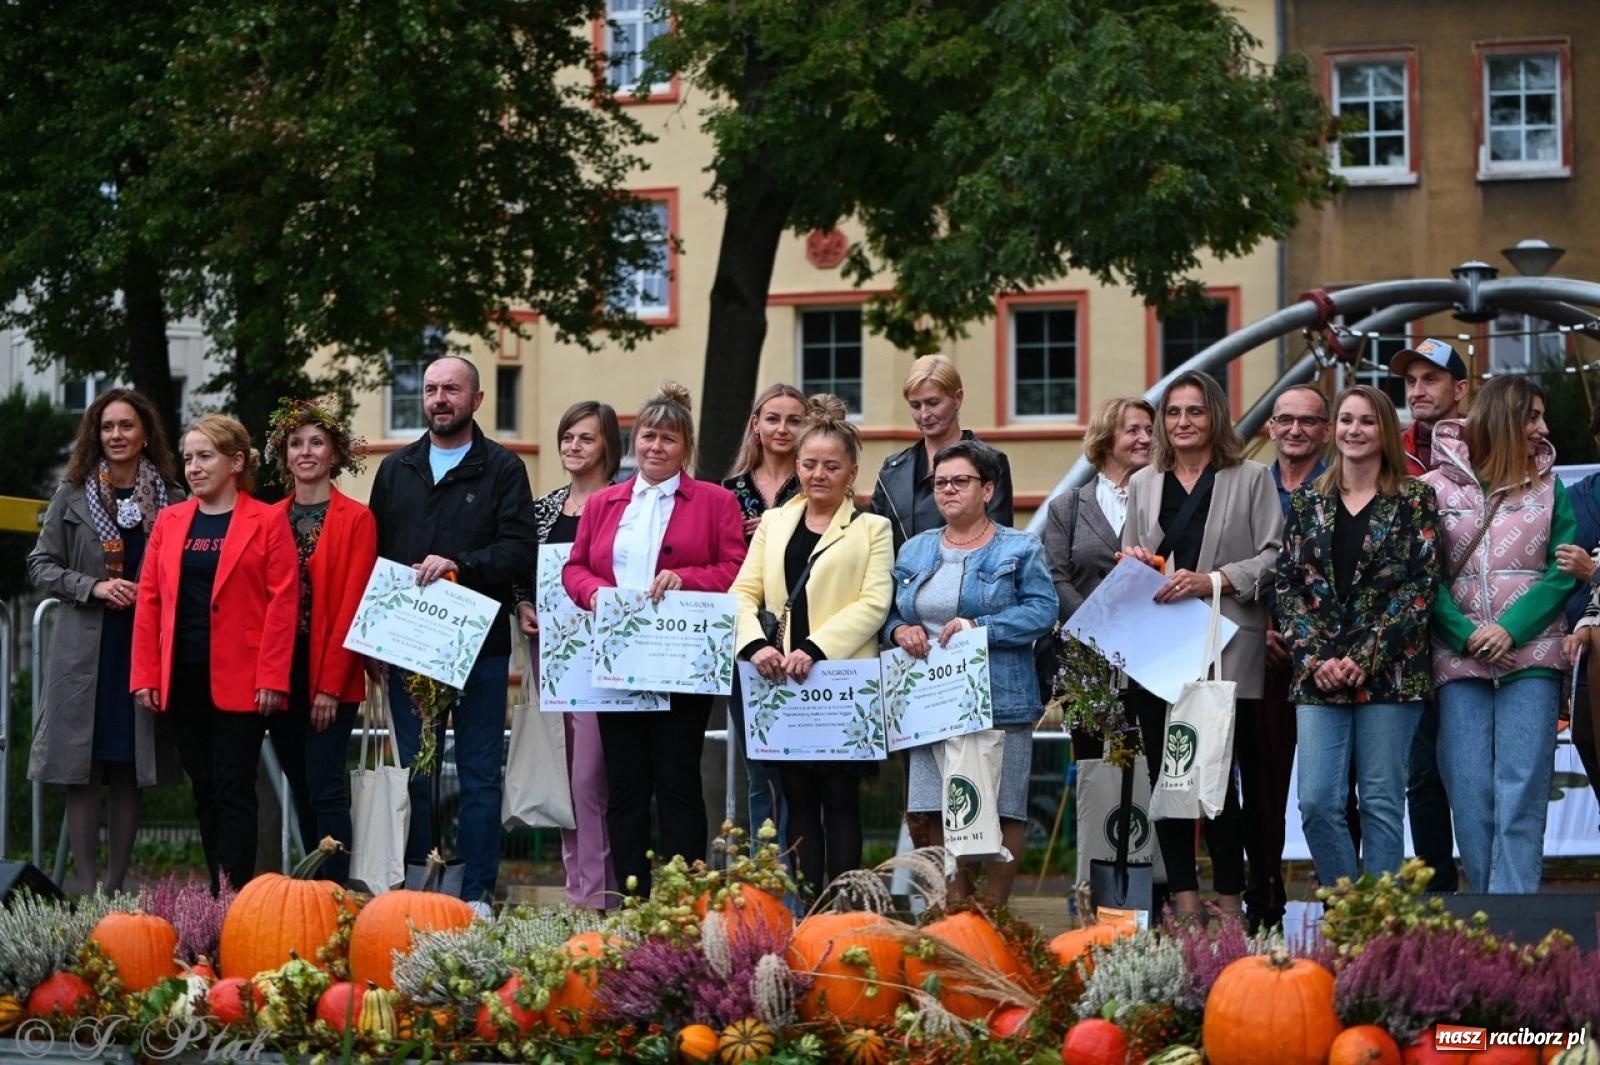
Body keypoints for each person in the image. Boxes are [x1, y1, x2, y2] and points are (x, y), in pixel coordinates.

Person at [563, 382, 747, 896]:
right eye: (648, 437)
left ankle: (684, 899)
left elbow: (735, 566)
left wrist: (687, 578)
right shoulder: (604, 503)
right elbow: (575, 568)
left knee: (678, 782)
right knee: (624, 787)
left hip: (681, 661)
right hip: (618, 660)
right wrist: (595, 593)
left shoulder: (715, 502)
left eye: (668, 439)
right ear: (633, 442)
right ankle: (629, 897)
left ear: (685, 447)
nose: (656, 448)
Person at [368, 355, 537, 911]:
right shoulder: (396, 469)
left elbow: (518, 550)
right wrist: (374, 642)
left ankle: (476, 894)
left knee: (480, 776)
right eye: (432, 389)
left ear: (477, 400)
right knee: (414, 773)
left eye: (452, 390)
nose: (440, 399)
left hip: (479, 650)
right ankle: (414, 887)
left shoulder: (504, 469)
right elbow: (377, 558)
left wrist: (458, 563)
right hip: (408, 650)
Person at [1121, 370, 1282, 922]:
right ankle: (1186, 905)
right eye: (1172, 413)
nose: (1182, 422)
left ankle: (1232, 903)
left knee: (1216, 779)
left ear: (1215, 416)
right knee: (1170, 781)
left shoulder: (1251, 477)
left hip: (1223, 647)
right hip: (1159, 651)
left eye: (1194, 411)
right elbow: (1129, 554)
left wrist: (1210, 580)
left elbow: (1274, 555)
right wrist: (1135, 563)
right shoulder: (1143, 482)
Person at [731, 395, 892, 903]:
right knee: (797, 801)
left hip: (841, 682)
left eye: (831, 466)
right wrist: (756, 645)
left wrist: (816, 648)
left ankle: (844, 911)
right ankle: (806, 915)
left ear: (851, 472)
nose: (818, 474)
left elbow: (874, 602)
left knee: (841, 799)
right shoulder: (775, 523)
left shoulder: (872, 528)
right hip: (781, 680)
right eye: (809, 464)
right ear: (796, 466)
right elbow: (743, 592)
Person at [1276, 385, 1440, 884]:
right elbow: (1288, 587)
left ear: (1385, 430)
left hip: (1389, 676)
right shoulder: (1307, 503)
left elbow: (1421, 587)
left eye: (1366, 421)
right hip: (1318, 676)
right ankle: (1348, 909)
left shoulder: (1415, 499)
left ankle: (1379, 929)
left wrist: (1366, 656)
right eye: (1346, 420)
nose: (1354, 430)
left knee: (1381, 802)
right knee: (1317, 802)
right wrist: (1317, 658)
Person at [1421, 374, 1576, 894]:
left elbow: (1561, 574)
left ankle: (1515, 918)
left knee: (1523, 786)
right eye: (1532, 416)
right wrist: (1465, 635)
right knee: (1468, 788)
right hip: (1457, 657)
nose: (1543, 427)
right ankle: (1488, 914)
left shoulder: (1553, 489)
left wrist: (1509, 629)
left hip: (1532, 656)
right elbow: (1425, 575)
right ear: (1504, 418)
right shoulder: (1433, 489)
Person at [131, 414, 298, 894]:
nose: (194, 467)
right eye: (188, 458)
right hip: (182, 676)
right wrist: (146, 672)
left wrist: (273, 677)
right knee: (203, 790)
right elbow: (150, 599)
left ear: (236, 461)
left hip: (243, 679)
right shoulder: (170, 520)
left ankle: (237, 897)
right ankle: (216, 891)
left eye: (205, 456)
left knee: (233, 790)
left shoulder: (267, 521)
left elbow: (282, 604)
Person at [884, 440, 1057, 905]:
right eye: (941, 483)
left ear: (988, 489)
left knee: (1004, 810)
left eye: (961, 481)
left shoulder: (1020, 547)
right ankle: (954, 912)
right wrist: (900, 630)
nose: (949, 490)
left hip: (999, 695)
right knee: (928, 811)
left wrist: (980, 627)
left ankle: (993, 917)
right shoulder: (915, 551)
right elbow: (891, 614)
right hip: (928, 704)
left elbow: (1043, 611)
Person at [28, 389, 183, 893]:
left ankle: (115, 888)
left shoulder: (173, 498)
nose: (116, 436)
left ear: (145, 435)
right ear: (96, 434)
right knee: (82, 766)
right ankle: (85, 888)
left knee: (128, 763)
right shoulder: (71, 493)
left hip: (141, 647)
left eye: (126, 426)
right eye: (107, 427)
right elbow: (41, 564)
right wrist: (92, 586)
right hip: (84, 650)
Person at [513, 400, 624, 909]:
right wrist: (523, 604)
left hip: (608, 660)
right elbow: (522, 572)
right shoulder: (542, 509)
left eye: (586, 438)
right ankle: (576, 891)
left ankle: (600, 896)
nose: (573, 447)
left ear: (607, 445)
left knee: (591, 777)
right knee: (561, 777)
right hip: (552, 655)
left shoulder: (626, 504)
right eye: (567, 437)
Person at [264, 398, 378, 886]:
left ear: (334, 454)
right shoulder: (269, 518)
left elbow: (354, 604)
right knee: (300, 784)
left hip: (331, 669)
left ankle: (337, 889)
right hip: (280, 671)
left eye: (316, 443)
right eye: (296, 444)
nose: (305, 452)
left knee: (327, 785)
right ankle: (312, 887)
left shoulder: (356, 519)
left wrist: (330, 686)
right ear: (284, 454)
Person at [1391, 337, 1471, 893]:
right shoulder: (1389, 451)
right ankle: (1438, 895)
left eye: (1432, 380)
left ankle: (1497, 892)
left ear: (1461, 390)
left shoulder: (1491, 447)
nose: (1419, 390)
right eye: (1411, 381)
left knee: (1478, 773)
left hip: (1479, 634)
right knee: (1421, 775)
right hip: (1412, 639)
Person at [1251, 384, 1331, 931]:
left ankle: (1341, 904)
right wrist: (1254, 632)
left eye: (1308, 421)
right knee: (1261, 792)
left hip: (1331, 663)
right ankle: (1263, 906)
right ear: (1270, 428)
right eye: (1286, 420)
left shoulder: (1343, 486)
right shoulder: (1249, 489)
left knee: (1333, 796)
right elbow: (1224, 565)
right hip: (1265, 657)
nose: (1296, 430)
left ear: (1325, 430)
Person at [1040, 396, 1153, 758]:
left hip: (1153, 658)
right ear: (1106, 438)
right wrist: (1098, 627)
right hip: (1087, 662)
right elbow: (1056, 579)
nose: (1145, 438)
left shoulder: (1164, 501)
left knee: (1151, 767)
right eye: (1133, 430)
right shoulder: (1067, 507)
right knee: (1095, 771)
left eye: (1151, 430)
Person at [721, 383, 807, 850]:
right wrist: (740, 537)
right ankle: (764, 877)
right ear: (756, 423)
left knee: (803, 768)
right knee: (760, 766)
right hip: (749, 639)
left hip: (807, 638)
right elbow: (717, 563)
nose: (782, 428)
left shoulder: (815, 482)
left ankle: (805, 876)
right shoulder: (727, 492)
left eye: (794, 419)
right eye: (772, 418)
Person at [871, 354, 1013, 553]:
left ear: (957, 399)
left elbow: (999, 544)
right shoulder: (892, 469)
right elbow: (875, 544)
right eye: (915, 405)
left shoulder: (990, 462)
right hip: (901, 583)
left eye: (933, 402)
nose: (924, 414)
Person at [1554, 402, 1600, 816]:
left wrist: (1594, 572)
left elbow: (1585, 573)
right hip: (1588, 675)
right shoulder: (1572, 500)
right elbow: (1552, 582)